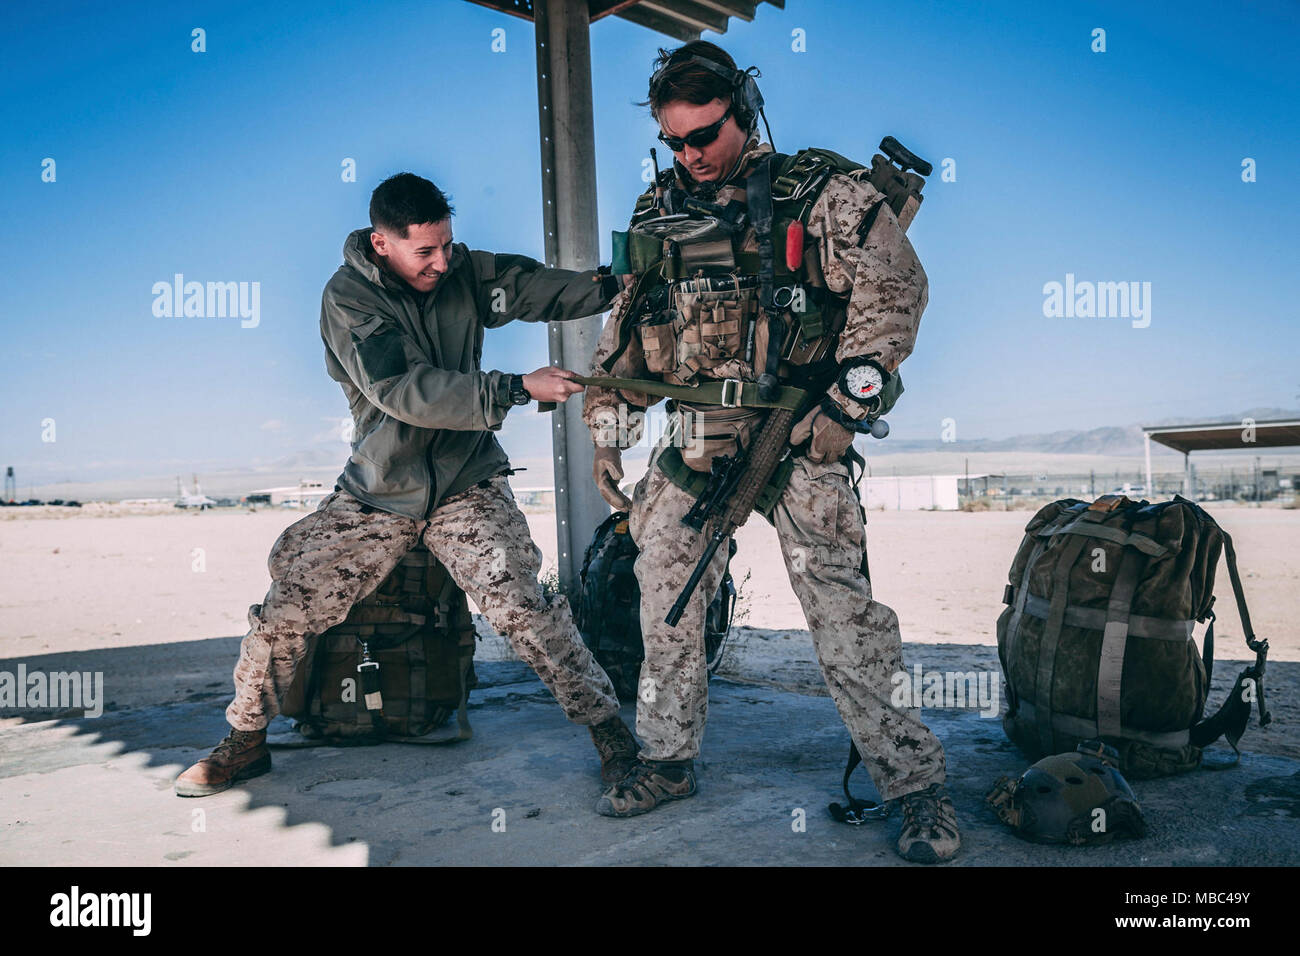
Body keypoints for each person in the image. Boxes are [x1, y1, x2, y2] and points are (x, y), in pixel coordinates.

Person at [581, 42, 960, 863]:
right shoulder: (657, 213)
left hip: (796, 429)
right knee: (664, 594)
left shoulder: (815, 188)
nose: (690, 157)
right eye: (675, 142)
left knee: (842, 615)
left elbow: (897, 288)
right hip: (697, 437)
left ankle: (916, 786)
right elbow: (624, 334)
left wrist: (845, 404)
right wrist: (607, 430)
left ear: (742, 116)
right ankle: (668, 759)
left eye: (705, 137)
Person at [175, 172, 638, 797]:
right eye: (425, 251)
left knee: (525, 610)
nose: (441, 262)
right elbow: (403, 390)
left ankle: (611, 735)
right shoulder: (348, 299)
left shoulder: (464, 273)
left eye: (447, 245)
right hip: (378, 492)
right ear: (380, 243)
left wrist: (613, 285)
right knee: (287, 608)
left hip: (465, 483)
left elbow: (534, 290)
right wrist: (514, 388)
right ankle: (246, 739)